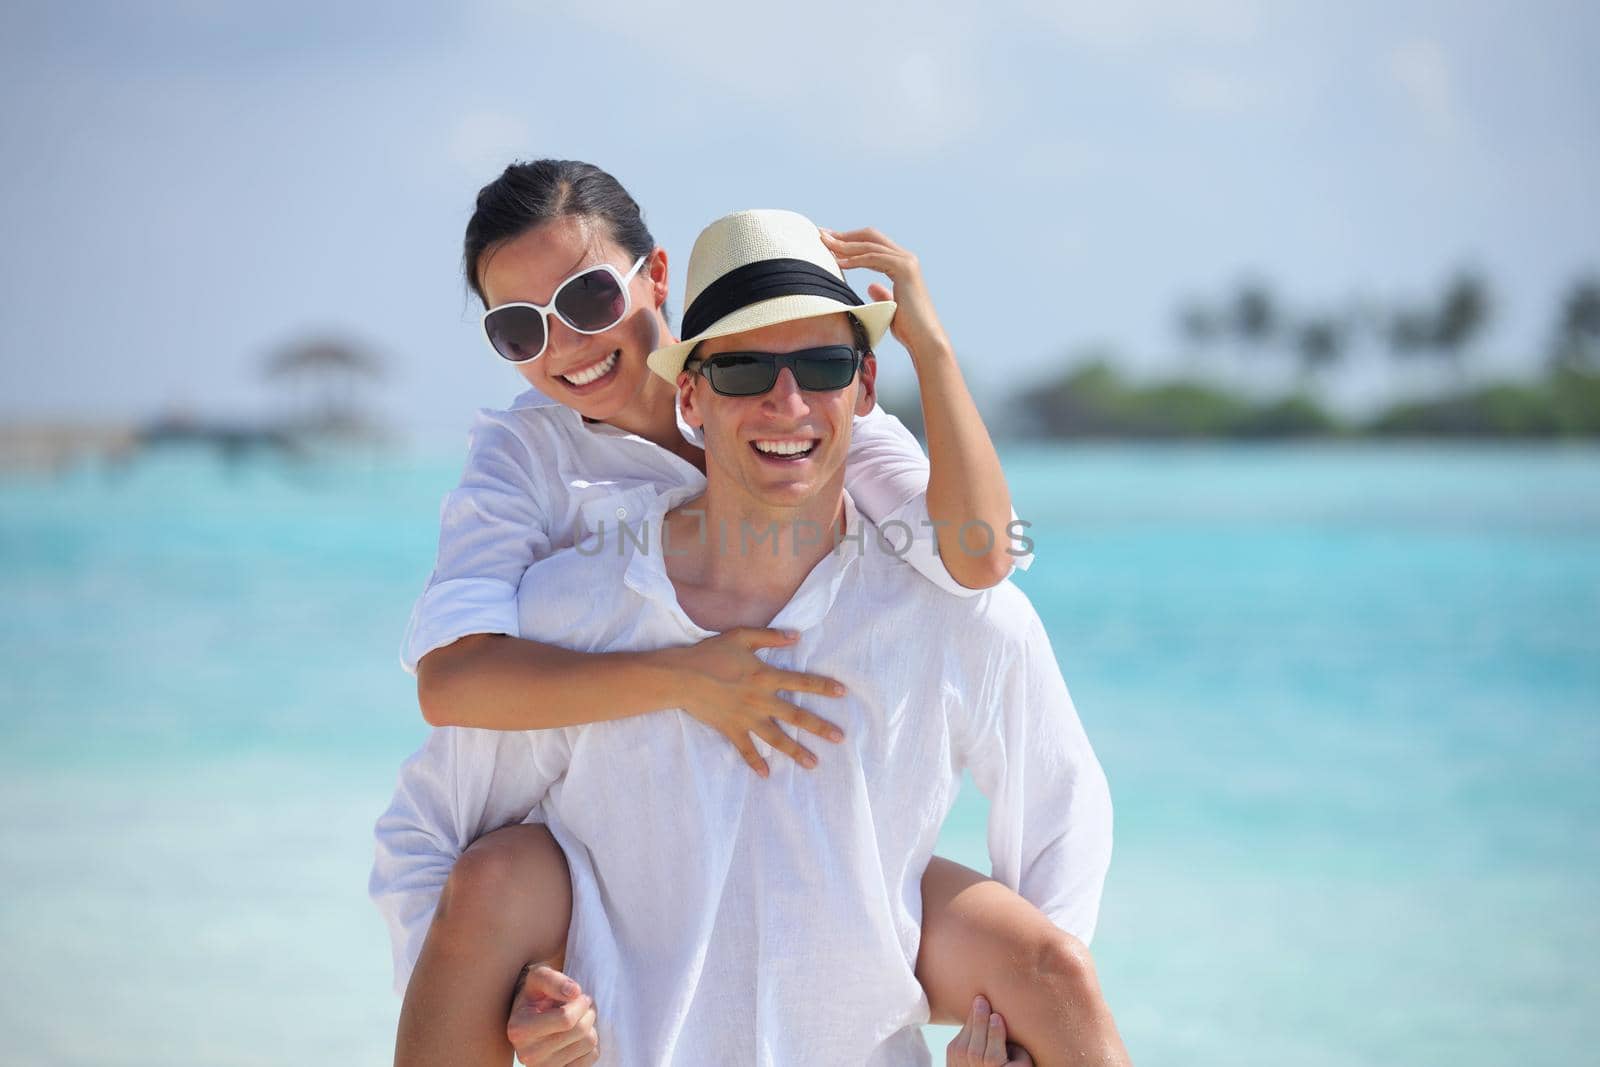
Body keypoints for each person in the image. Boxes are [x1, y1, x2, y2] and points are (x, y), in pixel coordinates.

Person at [376, 161, 1129, 1064]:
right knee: (500, 873)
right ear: (694, 390)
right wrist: (683, 678)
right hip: (617, 919)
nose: (786, 400)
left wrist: (1008, 1038)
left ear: (861, 383)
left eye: (821, 363)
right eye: (519, 326)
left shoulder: (876, 502)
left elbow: (979, 560)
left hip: (848, 923)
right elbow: (452, 717)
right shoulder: (541, 517)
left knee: (1053, 970)